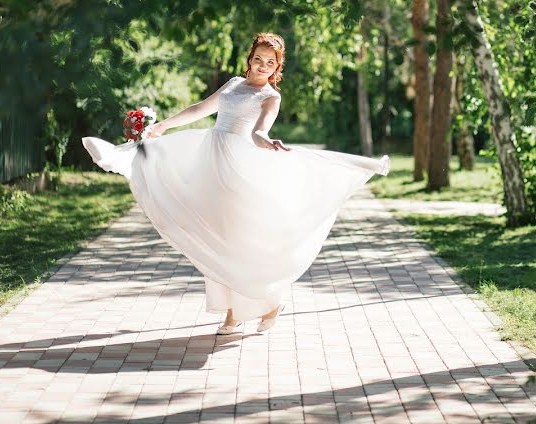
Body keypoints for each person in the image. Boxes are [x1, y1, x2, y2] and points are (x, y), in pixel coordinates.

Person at [82, 32, 389, 334]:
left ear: (277, 67)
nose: (263, 66)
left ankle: (263, 305)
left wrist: (266, 141)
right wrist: (163, 125)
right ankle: (235, 312)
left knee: (235, 240)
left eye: (270, 62)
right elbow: (200, 109)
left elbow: (259, 130)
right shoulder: (232, 85)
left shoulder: (271, 96)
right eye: (258, 59)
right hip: (211, 160)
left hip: (237, 166)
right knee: (216, 237)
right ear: (250, 60)